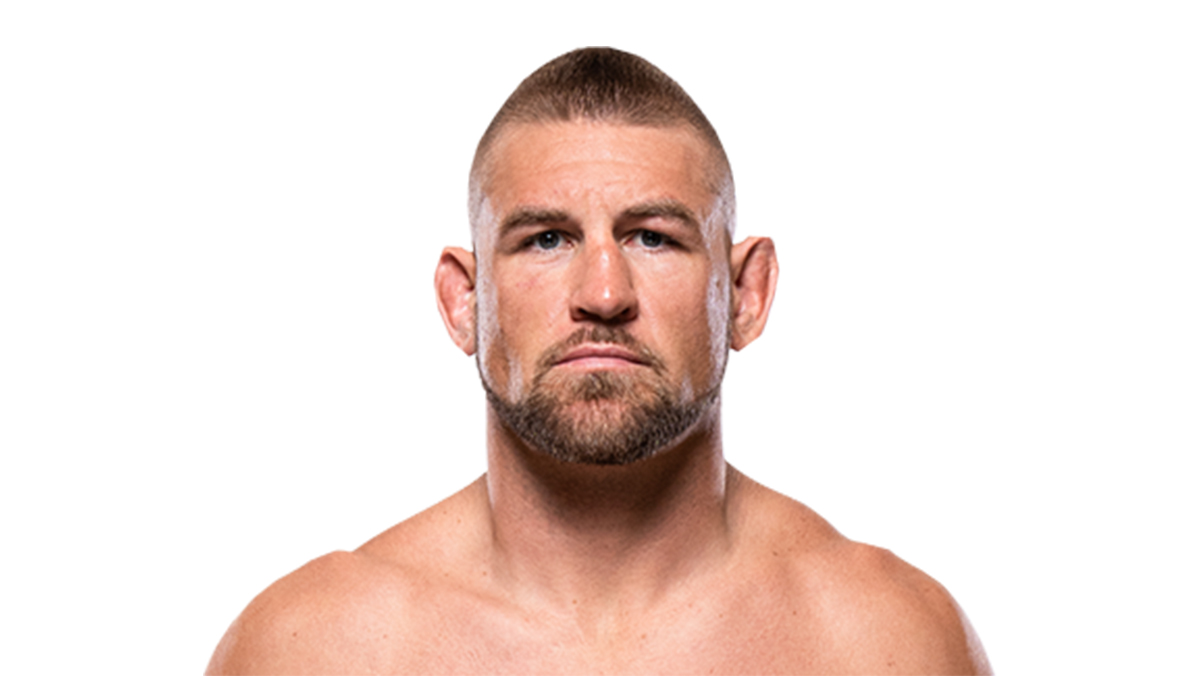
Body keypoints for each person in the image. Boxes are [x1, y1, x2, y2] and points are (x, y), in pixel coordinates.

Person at [206, 47, 991, 675]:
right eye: (545, 240)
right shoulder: (316, 649)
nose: (604, 293)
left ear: (746, 294)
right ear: (463, 301)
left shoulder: (884, 643)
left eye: (654, 237)